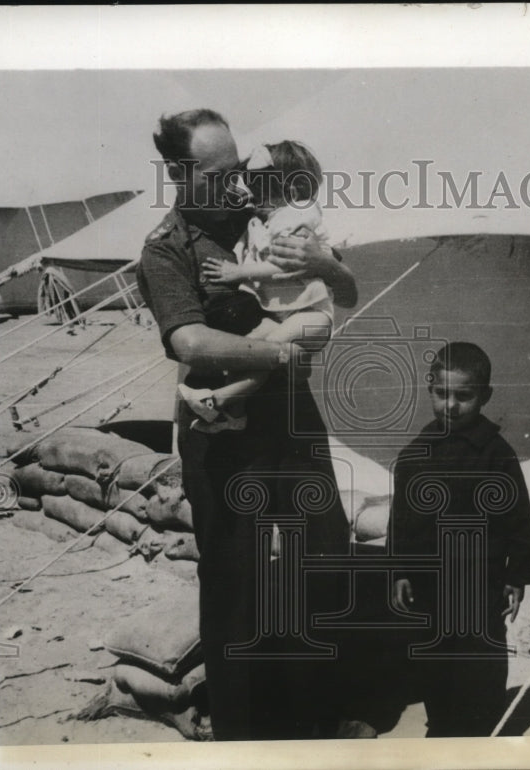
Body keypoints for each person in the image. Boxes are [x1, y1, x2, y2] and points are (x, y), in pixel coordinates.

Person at [135, 108, 356, 740]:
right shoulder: (166, 248)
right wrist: (280, 351)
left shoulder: (266, 209)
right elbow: (190, 342)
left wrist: (325, 261)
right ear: (179, 172)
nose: (235, 182)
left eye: (238, 168)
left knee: (321, 552)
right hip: (222, 434)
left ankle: (315, 716)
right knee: (236, 578)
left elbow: (344, 290)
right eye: (219, 171)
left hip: (290, 417)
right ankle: (241, 731)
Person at [391, 342, 530, 737]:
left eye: (464, 396)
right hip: (430, 581)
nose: (451, 406)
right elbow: (400, 519)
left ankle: (479, 726)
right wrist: (400, 571)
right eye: (442, 394)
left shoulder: (496, 455)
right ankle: (441, 722)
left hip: (480, 580)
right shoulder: (415, 454)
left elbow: (518, 518)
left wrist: (517, 576)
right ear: (430, 390)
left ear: (485, 396)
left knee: (480, 658)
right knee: (434, 656)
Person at [179, 140, 335, 432]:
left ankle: (220, 399)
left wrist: (239, 273)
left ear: (291, 191)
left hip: (313, 315)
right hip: (286, 314)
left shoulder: (298, 216)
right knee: (257, 352)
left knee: (267, 349)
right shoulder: (266, 218)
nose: (254, 195)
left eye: (263, 189)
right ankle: (229, 410)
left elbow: (287, 265)